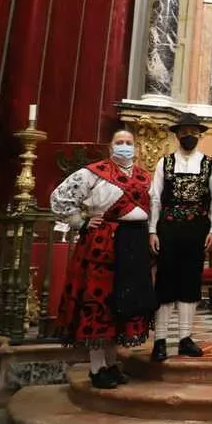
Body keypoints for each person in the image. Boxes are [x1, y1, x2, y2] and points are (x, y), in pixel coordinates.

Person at [51, 129, 155, 389]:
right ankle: (97, 369)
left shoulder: (144, 177)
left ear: (136, 147)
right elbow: (60, 197)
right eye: (119, 143)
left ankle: (111, 364)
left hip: (134, 245)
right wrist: (80, 221)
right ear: (110, 148)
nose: (124, 146)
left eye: (129, 143)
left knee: (123, 303)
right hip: (103, 244)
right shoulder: (93, 172)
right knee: (99, 304)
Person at [148, 113, 212, 362]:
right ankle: (159, 340)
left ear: (199, 134)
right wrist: (152, 231)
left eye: (193, 132)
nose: (189, 136)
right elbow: (155, 198)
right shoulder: (164, 163)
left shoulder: (209, 164)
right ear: (177, 134)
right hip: (168, 228)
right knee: (166, 282)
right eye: (184, 132)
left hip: (197, 230)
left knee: (190, 281)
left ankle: (185, 338)